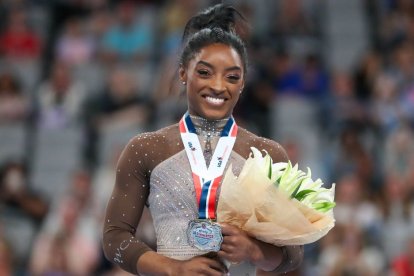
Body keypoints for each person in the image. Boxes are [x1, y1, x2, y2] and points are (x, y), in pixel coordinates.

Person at [102, 4, 303, 275]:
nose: (218, 86)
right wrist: (173, 268)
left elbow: (292, 254)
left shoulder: (267, 154)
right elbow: (115, 238)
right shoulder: (147, 149)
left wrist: (253, 250)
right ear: (183, 73)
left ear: (242, 82)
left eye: (232, 76)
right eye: (205, 72)